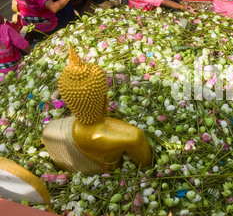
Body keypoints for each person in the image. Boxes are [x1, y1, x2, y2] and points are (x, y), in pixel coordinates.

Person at [41, 45, 152, 176]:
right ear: (106, 100)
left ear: (69, 102)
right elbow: (146, 168)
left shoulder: (51, 131)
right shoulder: (133, 136)